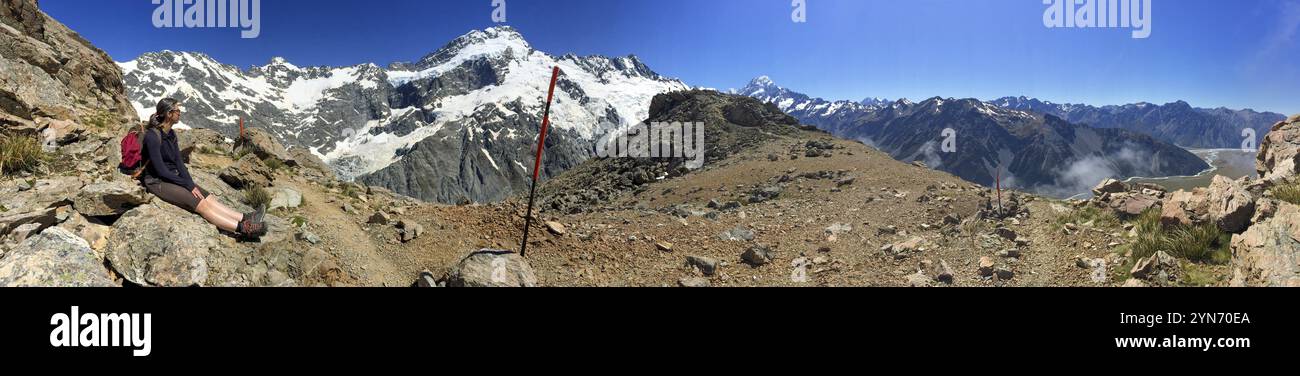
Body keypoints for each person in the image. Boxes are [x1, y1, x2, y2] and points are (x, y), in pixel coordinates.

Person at [140, 98, 267, 238]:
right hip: (157, 182)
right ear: (169, 114)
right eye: (177, 110)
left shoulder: (171, 134)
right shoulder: (153, 136)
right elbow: (160, 171)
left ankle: (245, 217)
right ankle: (243, 228)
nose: (180, 113)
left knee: (208, 198)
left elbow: (178, 162)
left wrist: (190, 184)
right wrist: (186, 185)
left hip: (171, 178)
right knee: (201, 205)